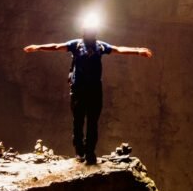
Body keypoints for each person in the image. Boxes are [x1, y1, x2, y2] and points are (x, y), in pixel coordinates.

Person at [24, 22, 152, 164]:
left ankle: (90, 152)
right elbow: (56, 46)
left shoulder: (100, 46)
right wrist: (38, 48)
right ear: (84, 32)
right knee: (78, 122)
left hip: (95, 91)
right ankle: (80, 151)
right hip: (79, 90)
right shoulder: (76, 44)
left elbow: (118, 49)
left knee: (92, 123)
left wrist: (137, 50)